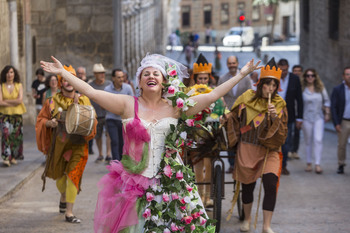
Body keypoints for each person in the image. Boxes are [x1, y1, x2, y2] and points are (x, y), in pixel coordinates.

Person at [40, 54, 261, 233]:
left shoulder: (177, 106)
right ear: (139, 82)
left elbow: (212, 96)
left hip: (172, 184)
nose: (151, 76)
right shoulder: (127, 104)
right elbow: (91, 91)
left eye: (156, 73)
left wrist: (242, 74)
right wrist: (63, 73)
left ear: (164, 81)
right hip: (136, 185)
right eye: (146, 74)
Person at [226, 58, 288, 233]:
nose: (271, 88)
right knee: (248, 186)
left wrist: (275, 118)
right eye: (268, 84)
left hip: (271, 150)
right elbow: (233, 117)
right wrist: (226, 117)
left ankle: (266, 226)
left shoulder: (280, 104)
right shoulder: (246, 97)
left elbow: (283, 132)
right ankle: (246, 220)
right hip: (248, 147)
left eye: (274, 85)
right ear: (260, 84)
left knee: (270, 183)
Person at [36, 65, 97, 223]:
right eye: (66, 80)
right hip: (59, 146)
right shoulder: (51, 101)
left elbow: (92, 121)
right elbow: (41, 120)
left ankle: (69, 212)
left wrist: (78, 108)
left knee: (72, 177)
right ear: (61, 82)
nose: (69, 83)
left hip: (78, 146)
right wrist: (49, 123)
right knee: (60, 180)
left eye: (72, 80)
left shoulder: (84, 99)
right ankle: (63, 196)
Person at [188, 54, 225, 208]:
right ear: (195, 78)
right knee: (197, 167)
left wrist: (223, 114)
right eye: (200, 78)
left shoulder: (215, 93)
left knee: (208, 165)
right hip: (195, 133)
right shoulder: (189, 92)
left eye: (205, 78)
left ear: (209, 78)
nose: (202, 81)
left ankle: (208, 195)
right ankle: (198, 195)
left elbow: (222, 109)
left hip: (210, 134)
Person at [218, 56, 252, 173]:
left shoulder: (246, 79)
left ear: (237, 63)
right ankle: (232, 164)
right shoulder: (223, 79)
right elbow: (219, 96)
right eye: (230, 63)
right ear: (227, 65)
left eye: (234, 63)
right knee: (230, 137)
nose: (232, 65)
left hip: (242, 114)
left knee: (242, 138)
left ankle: (241, 163)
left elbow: (250, 95)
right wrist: (224, 110)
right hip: (228, 114)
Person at [301, 68, 330, 174]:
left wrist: (327, 113)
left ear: (315, 76)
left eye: (312, 75)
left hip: (319, 117)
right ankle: (309, 163)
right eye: (308, 75)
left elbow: (327, 101)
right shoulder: (302, 89)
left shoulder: (320, 88)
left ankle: (317, 164)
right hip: (306, 118)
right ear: (305, 77)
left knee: (318, 140)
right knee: (308, 141)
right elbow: (299, 104)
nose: (310, 77)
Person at [277, 58, 303, 175]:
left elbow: (299, 99)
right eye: (281, 70)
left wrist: (299, 118)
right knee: (274, 141)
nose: (283, 72)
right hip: (274, 115)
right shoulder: (273, 77)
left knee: (286, 142)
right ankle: (274, 165)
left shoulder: (294, 79)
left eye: (285, 70)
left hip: (289, 116)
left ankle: (284, 165)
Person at [104, 68, 133, 162]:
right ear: (113, 78)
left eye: (122, 77)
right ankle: (116, 163)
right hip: (111, 119)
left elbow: (132, 102)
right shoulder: (107, 89)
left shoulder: (128, 88)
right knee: (115, 141)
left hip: (124, 120)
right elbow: (104, 104)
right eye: (119, 77)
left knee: (122, 142)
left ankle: (121, 162)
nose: (121, 79)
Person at [0, 65, 27, 166]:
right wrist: (14, 102)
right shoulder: (1, 85)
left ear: (14, 74)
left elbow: (20, 100)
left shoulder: (18, 85)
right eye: (7, 72)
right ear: (4, 74)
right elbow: (0, 102)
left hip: (17, 114)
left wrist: (6, 101)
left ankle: (13, 157)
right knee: (6, 134)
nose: (9, 74)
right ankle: (6, 157)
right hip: (4, 115)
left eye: (11, 72)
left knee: (15, 136)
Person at [90, 63, 112, 163]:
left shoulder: (109, 84)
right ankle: (100, 154)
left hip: (108, 114)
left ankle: (108, 154)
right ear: (95, 74)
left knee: (108, 134)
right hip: (95, 114)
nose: (102, 75)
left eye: (103, 73)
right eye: (99, 73)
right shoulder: (91, 85)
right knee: (97, 135)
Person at [331, 66, 350, 174]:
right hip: (344, 121)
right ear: (343, 76)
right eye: (347, 74)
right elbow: (334, 106)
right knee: (342, 144)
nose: (349, 76)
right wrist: (336, 123)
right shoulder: (338, 89)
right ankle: (341, 164)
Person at [288, 64, 304, 160]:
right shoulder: (292, 81)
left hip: (301, 111)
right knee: (290, 132)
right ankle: (290, 150)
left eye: (299, 71)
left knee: (297, 132)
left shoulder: (306, 82)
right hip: (292, 111)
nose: (297, 72)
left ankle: (295, 150)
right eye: (295, 71)